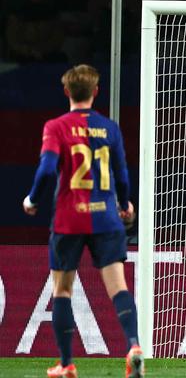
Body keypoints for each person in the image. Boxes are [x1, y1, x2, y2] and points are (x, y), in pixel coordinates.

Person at [22, 64, 143, 378]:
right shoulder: (110, 128)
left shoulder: (56, 126)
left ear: (66, 92)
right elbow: (122, 172)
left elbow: (48, 169)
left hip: (69, 220)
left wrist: (33, 199)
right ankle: (133, 346)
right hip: (106, 217)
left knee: (62, 291)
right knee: (118, 287)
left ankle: (66, 363)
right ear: (96, 92)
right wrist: (125, 203)